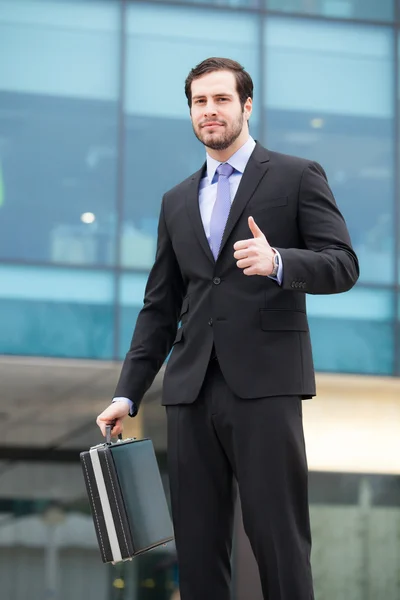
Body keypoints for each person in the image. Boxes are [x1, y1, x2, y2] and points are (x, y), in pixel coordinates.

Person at [96, 57, 359, 600]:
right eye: (199, 102)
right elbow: (159, 307)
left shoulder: (295, 174)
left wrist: (280, 262)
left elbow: (342, 264)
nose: (209, 111)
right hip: (190, 391)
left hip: (266, 385)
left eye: (220, 99)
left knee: (278, 539)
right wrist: (128, 392)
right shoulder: (176, 199)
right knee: (197, 547)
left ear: (246, 105)